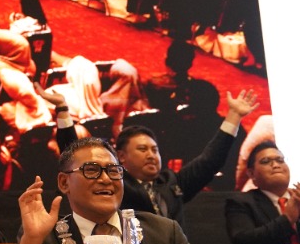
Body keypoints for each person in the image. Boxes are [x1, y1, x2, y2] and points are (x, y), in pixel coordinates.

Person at [0, 137, 225, 244]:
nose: (106, 179)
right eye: (92, 170)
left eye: (114, 171)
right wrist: (31, 242)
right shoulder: (44, 238)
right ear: (64, 183)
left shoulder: (164, 231)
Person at [58, 88, 260, 226]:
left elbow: (210, 161)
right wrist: (63, 112)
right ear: (121, 157)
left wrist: (234, 116)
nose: (151, 155)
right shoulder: (116, 184)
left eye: (155, 150)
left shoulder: (172, 182)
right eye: (142, 149)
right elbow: (75, 156)